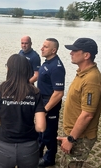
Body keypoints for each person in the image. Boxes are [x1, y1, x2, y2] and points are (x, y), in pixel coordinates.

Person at [57, 38, 101, 168]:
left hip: (79, 137)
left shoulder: (91, 80)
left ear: (86, 55)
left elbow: (87, 114)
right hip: (74, 134)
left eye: (75, 50)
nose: (71, 53)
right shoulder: (83, 74)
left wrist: (71, 139)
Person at [38, 38, 66, 167]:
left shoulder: (57, 67)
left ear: (53, 50)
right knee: (40, 130)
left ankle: (49, 158)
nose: (41, 49)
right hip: (41, 100)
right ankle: (37, 153)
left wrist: (45, 109)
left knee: (49, 132)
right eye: (42, 46)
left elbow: (59, 93)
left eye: (45, 47)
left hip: (50, 103)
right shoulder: (47, 63)